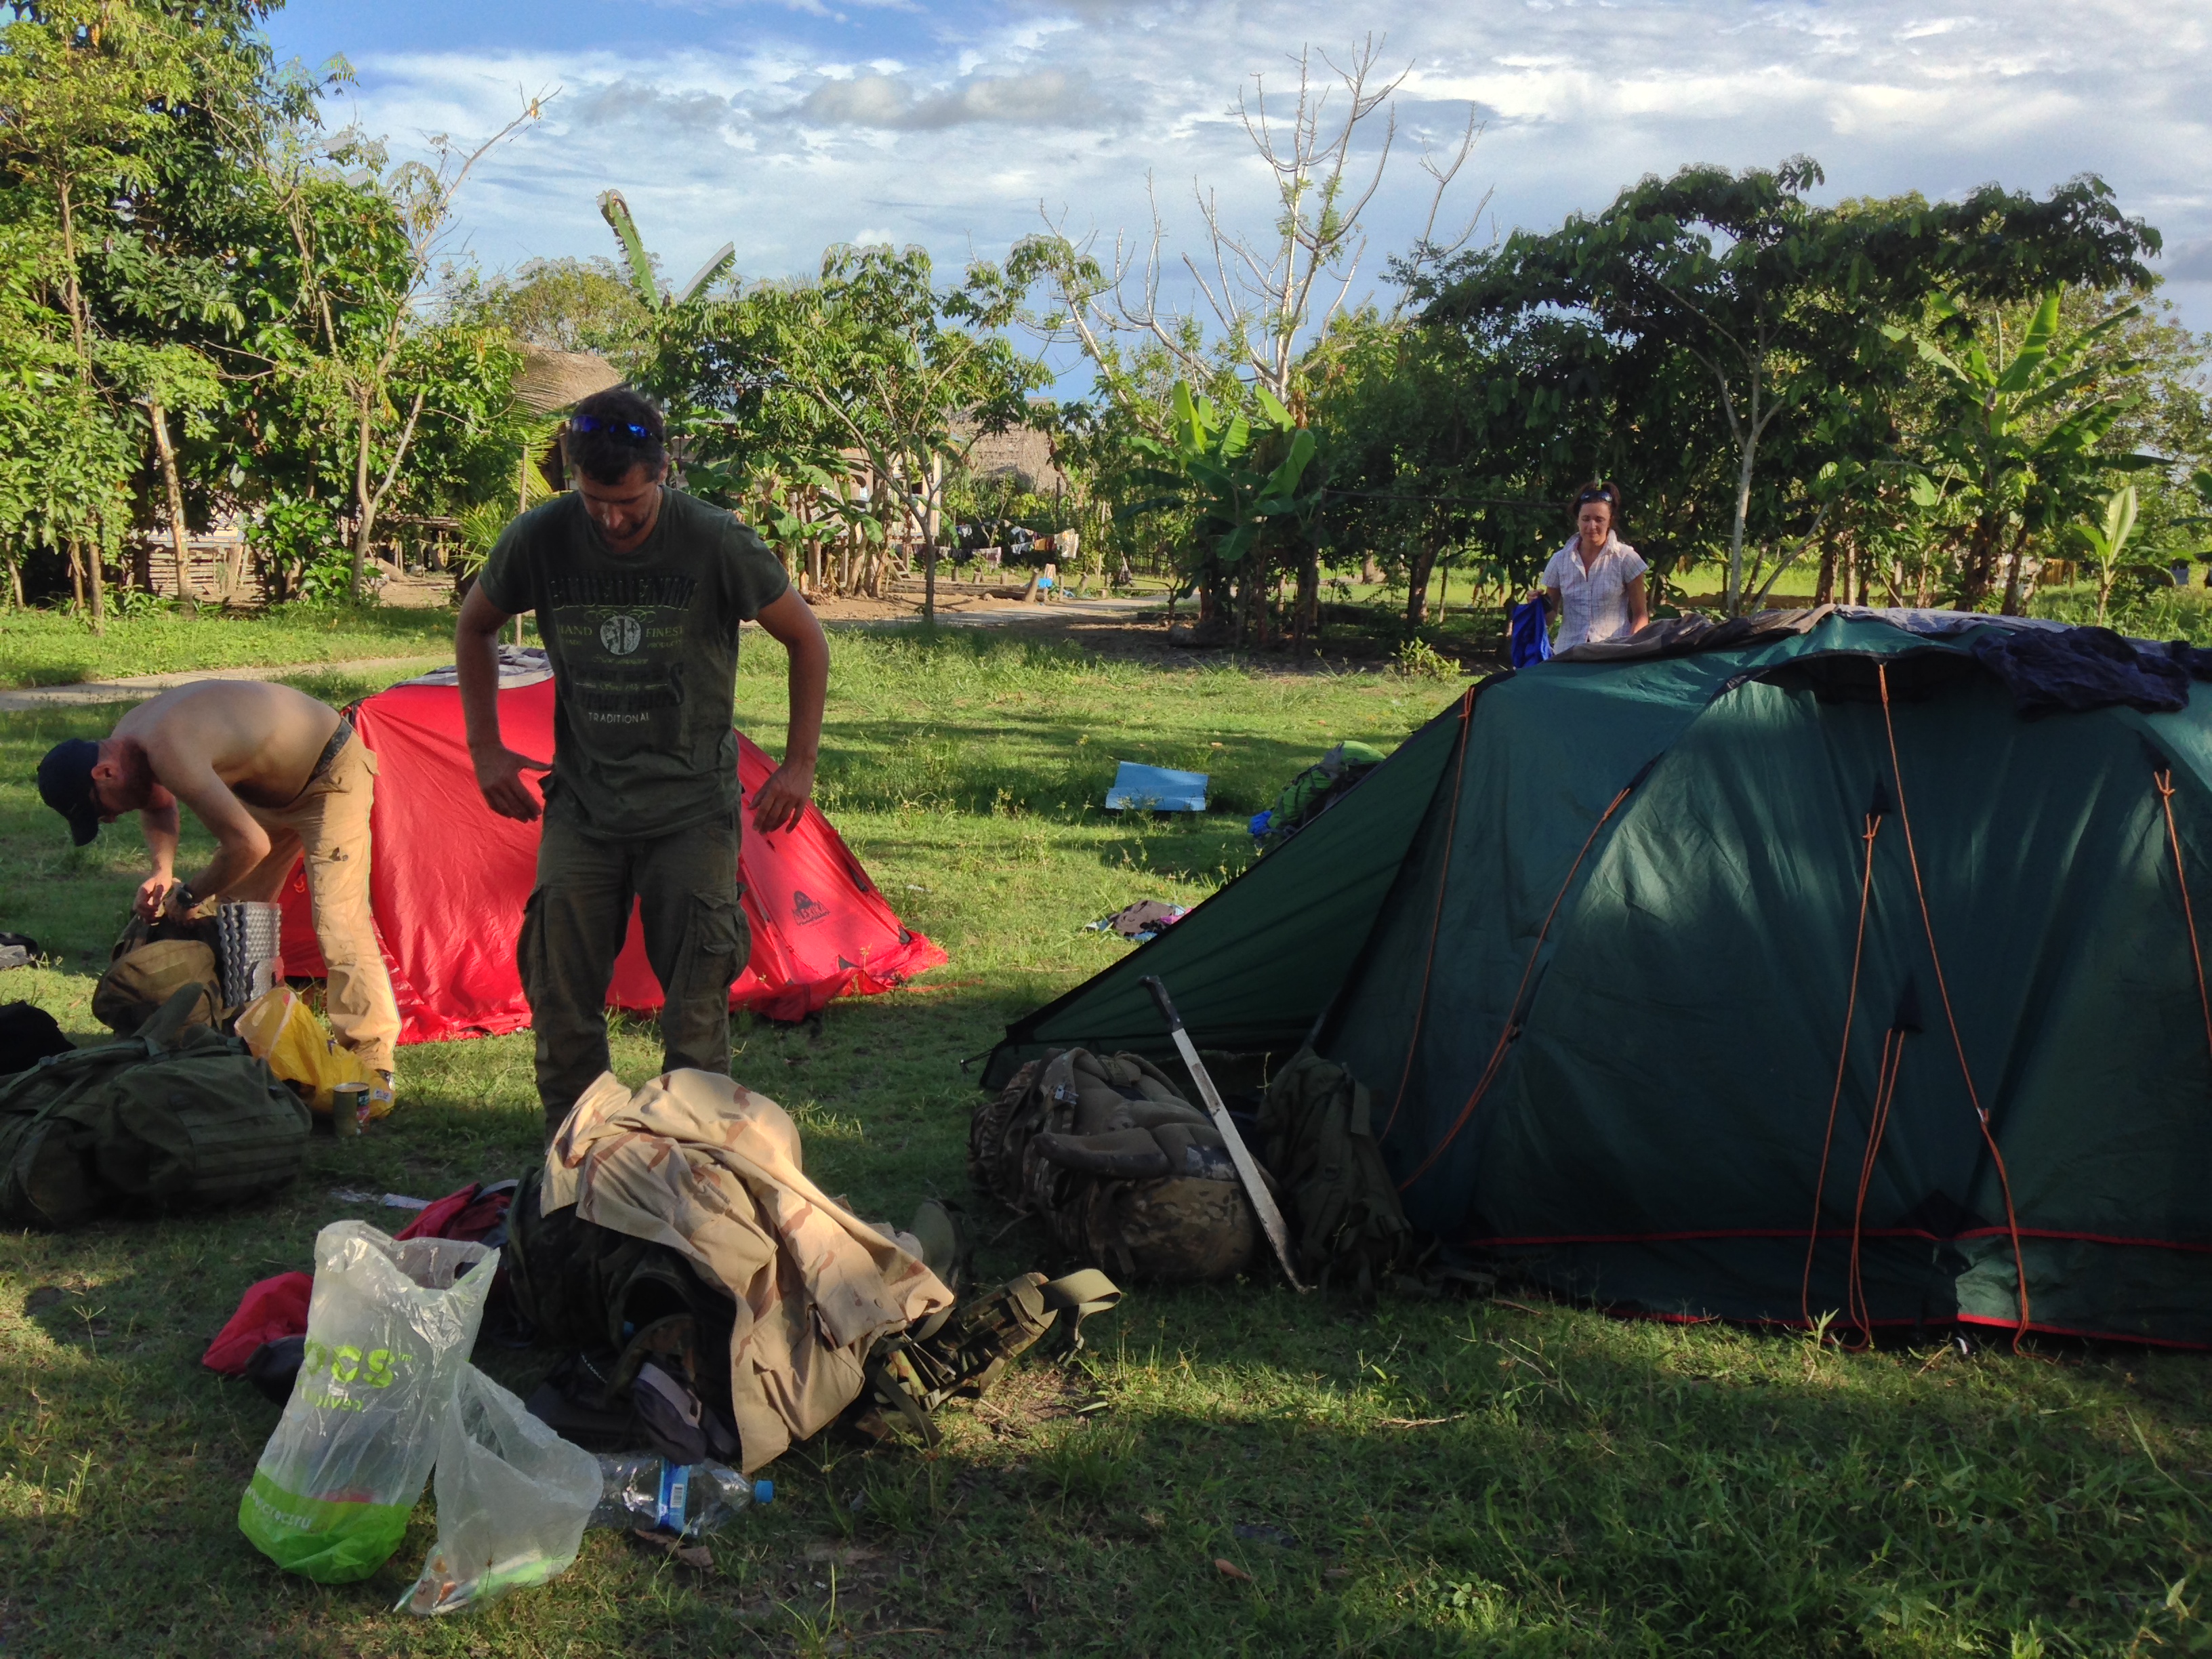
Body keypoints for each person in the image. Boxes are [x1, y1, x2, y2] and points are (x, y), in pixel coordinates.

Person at [456, 386, 832, 1135]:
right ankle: (577, 1168)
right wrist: (486, 749)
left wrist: (798, 764)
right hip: (583, 810)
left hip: (691, 813)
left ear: (663, 470)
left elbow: (806, 639)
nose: (611, 518)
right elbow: (476, 629)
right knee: (560, 1001)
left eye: (629, 501)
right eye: (595, 500)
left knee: (695, 1017)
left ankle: (691, 1176)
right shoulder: (541, 537)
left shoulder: (716, 539)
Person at [36, 681, 401, 1107]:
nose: (112, 819)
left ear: (105, 773)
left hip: (330, 773)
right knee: (237, 918)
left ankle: (372, 1062)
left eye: (103, 809)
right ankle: (258, 1039)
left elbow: (249, 847)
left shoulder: (168, 744)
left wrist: (190, 896)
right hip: (264, 792)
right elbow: (158, 804)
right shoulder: (130, 739)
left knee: (338, 922)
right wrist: (163, 871)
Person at [1535, 481, 1650, 650]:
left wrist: (1630, 649)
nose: (1592, 526)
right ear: (1578, 521)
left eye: (1599, 520)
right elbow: (1549, 619)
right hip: (1568, 654)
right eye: (1586, 519)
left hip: (1612, 653)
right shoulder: (1559, 561)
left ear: (1610, 521)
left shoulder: (1626, 559)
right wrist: (1538, 605)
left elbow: (1641, 614)